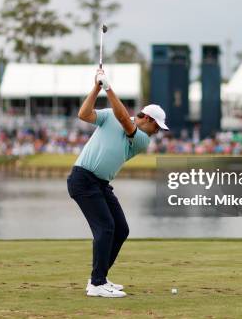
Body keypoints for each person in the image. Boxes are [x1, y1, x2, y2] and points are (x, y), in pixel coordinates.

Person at [67, 68, 168, 298]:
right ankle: (97, 283)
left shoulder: (142, 140)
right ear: (148, 119)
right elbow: (84, 114)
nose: (157, 133)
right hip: (83, 179)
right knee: (105, 228)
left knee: (120, 229)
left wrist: (108, 87)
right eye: (157, 127)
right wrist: (97, 87)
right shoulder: (111, 115)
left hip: (101, 184)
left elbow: (124, 118)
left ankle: (98, 277)